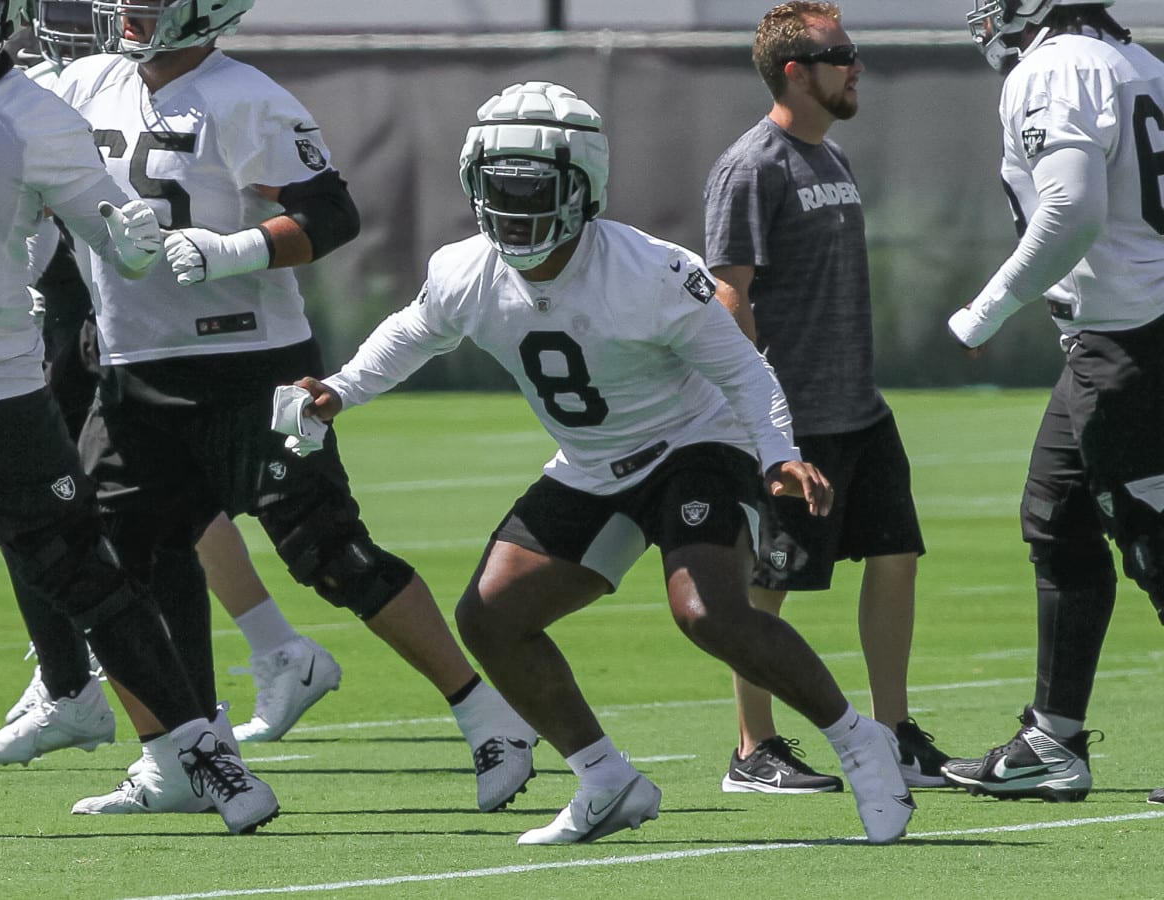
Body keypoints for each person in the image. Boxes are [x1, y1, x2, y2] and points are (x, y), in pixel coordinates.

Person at [279, 80, 916, 845]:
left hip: (694, 444)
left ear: (583, 190)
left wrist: (778, 453)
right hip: (593, 461)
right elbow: (413, 333)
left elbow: (743, 370)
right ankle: (606, 780)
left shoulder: (648, 270)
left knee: (706, 609)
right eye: (497, 191)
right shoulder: (465, 269)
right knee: (492, 616)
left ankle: (860, 742)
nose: (513, 212)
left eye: (532, 191)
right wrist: (340, 391)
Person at [45, 0, 535, 818]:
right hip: (134, 369)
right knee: (106, 572)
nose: (130, 10)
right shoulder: (85, 83)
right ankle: (173, 759)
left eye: (152, 0)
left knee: (329, 550)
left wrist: (234, 248)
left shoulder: (248, 97)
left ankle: (489, 718)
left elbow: (330, 214)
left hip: (255, 367)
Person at [0, 0, 342, 771]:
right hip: (81, 300)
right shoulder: (72, 84)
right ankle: (228, 678)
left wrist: (225, 252)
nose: (102, 20)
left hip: (110, 306)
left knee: (98, 513)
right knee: (125, 512)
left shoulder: (65, 92)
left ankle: (86, 691)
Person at [702, 1, 952, 796]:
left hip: (860, 407)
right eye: (840, 53)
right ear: (793, 72)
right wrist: (763, 422)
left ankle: (894, 730)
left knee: (896, 556)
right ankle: (753, 750)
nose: (856, 65)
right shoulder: (753, 165)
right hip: (795, 417)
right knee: (768, 583)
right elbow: (728, 296)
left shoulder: (831, 158)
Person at [942, 0, 1164, 804]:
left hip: (1135, 340)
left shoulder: (1055, 66)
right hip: (1118, 338)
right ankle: (1053, 739)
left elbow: (1071, 208)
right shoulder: (1139, 65)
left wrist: (986, 310)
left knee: (1154, 542)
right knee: (1058, 516)